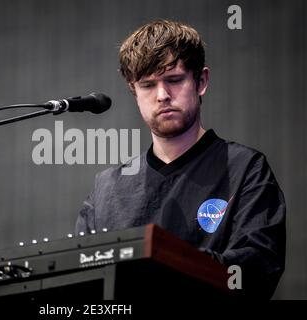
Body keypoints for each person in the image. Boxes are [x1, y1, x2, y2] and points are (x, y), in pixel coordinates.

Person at [75, 19, 286, 299]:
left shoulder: (245, 169)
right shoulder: (106, 188)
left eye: (174, 80)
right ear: (134, 92)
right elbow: (80, 284)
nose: (162, 95)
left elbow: (256, 269)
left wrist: (162, 265)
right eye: (148, 85)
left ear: (201, 82)